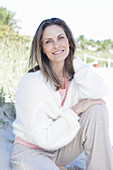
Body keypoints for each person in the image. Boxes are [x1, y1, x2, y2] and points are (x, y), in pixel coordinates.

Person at [11, 18, 113, 170]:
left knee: (97, 109)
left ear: (69, 41)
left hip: (61, 147)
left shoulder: (75, 73)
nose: (57, 45)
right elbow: (43, 139)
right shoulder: (31, 82)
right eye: (49, 41)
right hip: (32, 151)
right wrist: (75, 110)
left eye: (61, 38)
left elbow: (99, 92)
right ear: (42, 48)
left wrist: (73, 60)